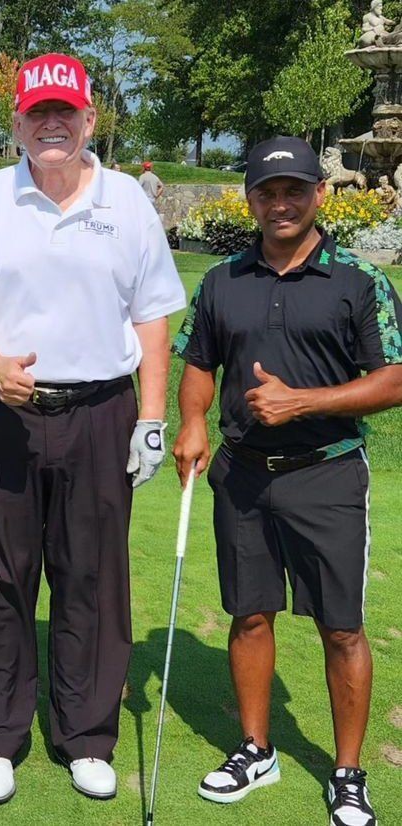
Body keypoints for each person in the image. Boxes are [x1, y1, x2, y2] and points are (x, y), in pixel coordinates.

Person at [0, 52, 185, 805]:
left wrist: (152, 414)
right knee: (1, 573)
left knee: (92, 574)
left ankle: (85, 736)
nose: (51, 125)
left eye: (64, 113)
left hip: (102, 411)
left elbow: (153, 314)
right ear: (16, 122)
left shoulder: (128, 204)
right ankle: (0, 736)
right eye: (37, 113)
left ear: (89, 119)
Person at [172, 136, 402, 826]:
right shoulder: (222, 281)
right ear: (249, 198)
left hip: (325, 474)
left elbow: (393, 379)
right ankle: (255, 748)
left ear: (318, 195)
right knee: (249, 613)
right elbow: (199, 363)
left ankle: (348, 770)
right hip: (242, 475)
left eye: (293, 191)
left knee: (341, 628)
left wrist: (304, 401)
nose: (280, 204)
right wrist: (192, 422)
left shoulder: (358, 279)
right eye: (266, 193)